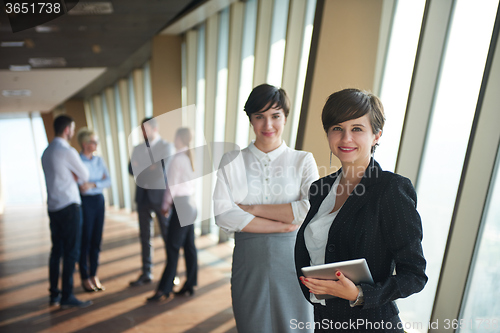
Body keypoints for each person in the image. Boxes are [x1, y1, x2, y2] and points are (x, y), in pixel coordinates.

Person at [295, 88, 427, 332]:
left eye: (357, 129)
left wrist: (359, 293)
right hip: (325, 322)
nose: (346, 138)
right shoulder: (320, 188)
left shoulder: (391, 189)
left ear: (376, 135)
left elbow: (414, 275)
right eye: (337, 128)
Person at [214, 84, 319, 333]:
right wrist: (283, 224)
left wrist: (251, 208)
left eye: (275, 116)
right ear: (250, 119)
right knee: (252, 324)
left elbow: (309, 209)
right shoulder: (232, 160)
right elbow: (223, 214)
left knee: (297, 325)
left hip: (295, 259)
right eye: (259, 116)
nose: (267, 125)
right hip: (249, 260)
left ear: (285, 117)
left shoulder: (302, 160)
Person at [41, 115, 93, 309]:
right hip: (70, 207)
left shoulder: (46, 152)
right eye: (72, 128)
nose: (72, 132)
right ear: (67, 130)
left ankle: (54, 294)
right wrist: (76, 176)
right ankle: (67, 296)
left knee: (57, 252)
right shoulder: (67, 151)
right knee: (72, 252)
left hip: (53, 207)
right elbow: (85, 175)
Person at [147, 127, 198, 302]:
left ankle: (164, 289)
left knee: (172, 247)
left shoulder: (178, 159)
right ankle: (190, 284)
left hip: (181, 205)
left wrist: (164, 205)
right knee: (189, 246)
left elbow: (172, 186)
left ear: (179, 138)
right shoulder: (190, 157)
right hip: (190, 204)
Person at [128, 117, 174, 286]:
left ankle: (171, 273)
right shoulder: (138, 148)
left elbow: (160, 171)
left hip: (160, 197)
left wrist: (142, 166)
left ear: (155, 128)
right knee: (144, 236)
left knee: (167, 236)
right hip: (142, 197)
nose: (143, 133)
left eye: (145, 129)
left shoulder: (166, 147)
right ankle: (146, 272)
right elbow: (130, 169)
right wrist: (150, 166)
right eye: (141, 130)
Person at [76, 128, 111, 292]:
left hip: (98, 200)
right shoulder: (77, 160)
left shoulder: (99, 160)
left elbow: (108, 180)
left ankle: (93, 275)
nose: (96, 144)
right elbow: (81, 187)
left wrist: (93, 183)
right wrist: (97, 182)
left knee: (97, 239)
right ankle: (84, 277)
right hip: (85, 202)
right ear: (85, 144)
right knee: (86, 240)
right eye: (93, 141)